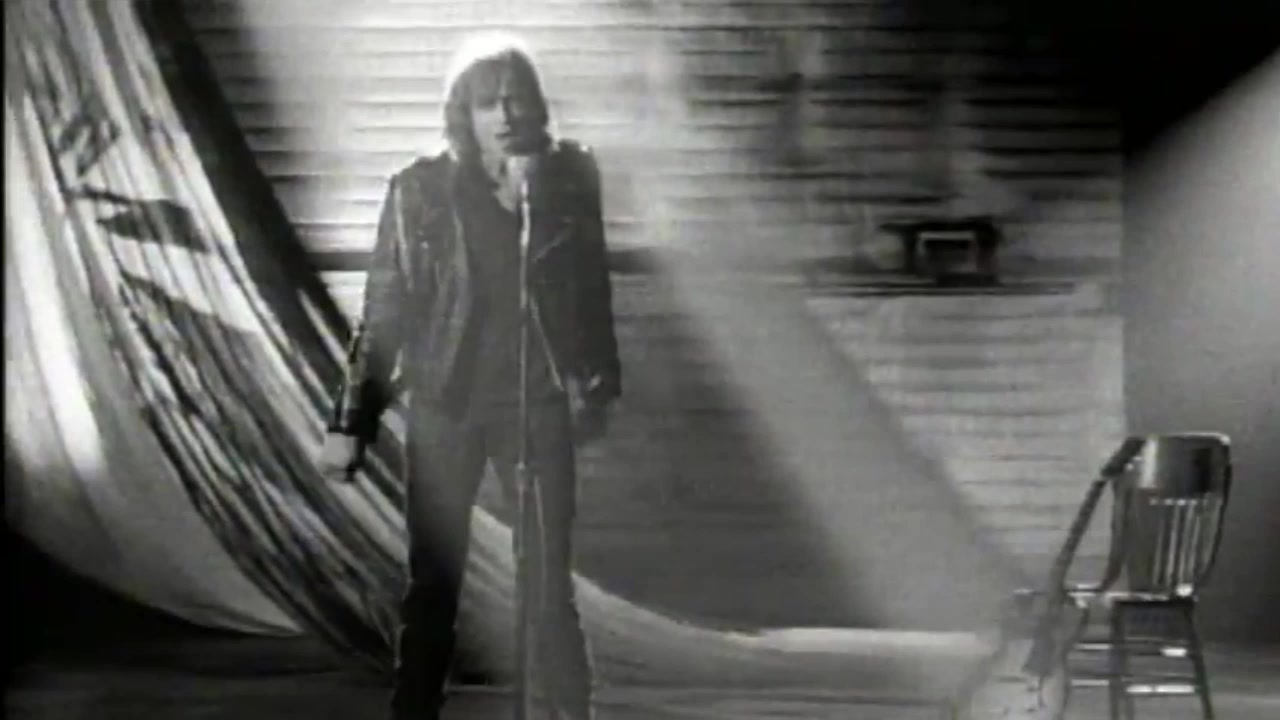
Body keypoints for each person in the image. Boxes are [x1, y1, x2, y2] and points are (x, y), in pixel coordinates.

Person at [319, 32, 621, 720]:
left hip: (537, 404)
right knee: (434, 585)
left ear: (536, 107)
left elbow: (591, 290)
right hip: (447, 404)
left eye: (517, 100)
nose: (506, 114)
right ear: (464, 111)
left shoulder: (567, 183)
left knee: (548, 589)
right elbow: (384, 315)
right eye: (489, 102)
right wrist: (350, 422)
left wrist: (598, 384)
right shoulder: (419, 191)